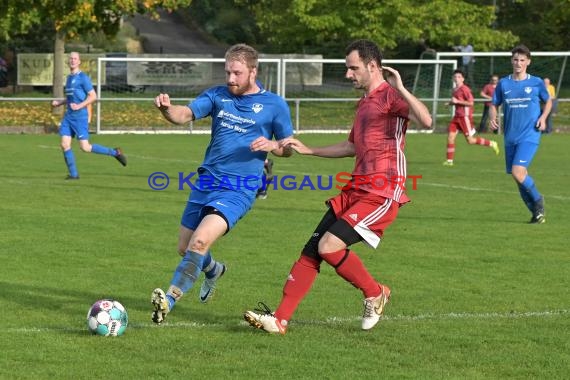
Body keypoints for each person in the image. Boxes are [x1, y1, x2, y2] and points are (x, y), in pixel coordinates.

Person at [243, 39, 432, 334]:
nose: (348, 74)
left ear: (372, 66)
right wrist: (309, 150)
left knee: (329, 246)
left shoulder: (391, 97)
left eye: (353, 68)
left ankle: (375, 292)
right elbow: (350, 146)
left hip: (383, 190)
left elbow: (427, 120)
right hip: (356, 188)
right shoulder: (365, 103)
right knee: (311, 252)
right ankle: (280, 320)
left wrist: (401, 88)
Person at [150, 43, 294, 324]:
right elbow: (184, 115)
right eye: (228, 72)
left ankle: (168, 300)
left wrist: (274, 145)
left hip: (239, 188)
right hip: (206, 182)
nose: (230, 79)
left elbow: (288, 148)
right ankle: (214, 269)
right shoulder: (218, 96)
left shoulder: (275, 105)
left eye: (237, 73)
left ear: (254, 71)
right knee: (185, 247)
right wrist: (167, 110)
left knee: (200, 241)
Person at [489, 44, 551, 224]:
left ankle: (538, 201)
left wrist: (544, 117)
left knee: (518, 172)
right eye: (515, 59)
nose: (518, 63)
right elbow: (494, 104)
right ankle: (536, 213)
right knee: (519, 177)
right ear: (511, 61)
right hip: (510, 137)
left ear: (528, 62)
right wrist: (493, 118)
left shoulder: (536, 82)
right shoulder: (504, 83)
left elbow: (548, 101)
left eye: (522, 60)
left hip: (530, 134)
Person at [51, 52, 127, 179]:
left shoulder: (83, 78)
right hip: (69, 117)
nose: (73, 60)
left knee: (85, 147)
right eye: (71, 58)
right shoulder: (69, 78)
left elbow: (93, 96)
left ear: (79, 61)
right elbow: (71, 98)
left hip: (80, 117)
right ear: (68, 61)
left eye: (75, 59)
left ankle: (115, 152)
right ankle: (74, 175)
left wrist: (80, 106)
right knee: (64, 144)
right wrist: (60, 103)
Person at [443, 69, 499, 166]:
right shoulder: (454, 89)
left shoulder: (465, 89)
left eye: (459, 77)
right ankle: (449, 161)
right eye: (455, 77)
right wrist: (450, 103)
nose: (457, 79)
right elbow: (457, 101)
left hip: (465, 118)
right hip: (456, 117)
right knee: (450, 138)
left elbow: (471, 103)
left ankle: (492, 143)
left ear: (463, 79)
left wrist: (456, 102)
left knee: (470, 140)